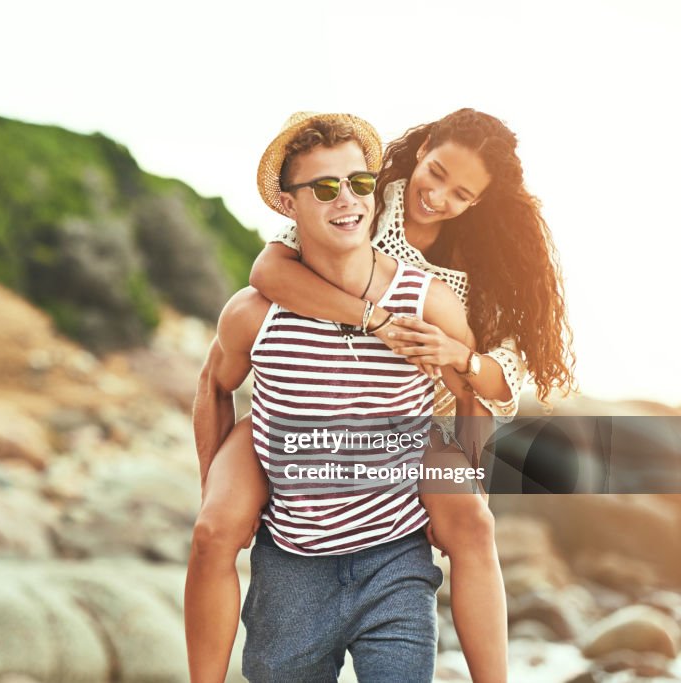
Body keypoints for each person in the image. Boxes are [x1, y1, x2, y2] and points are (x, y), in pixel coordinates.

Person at [186, 108, 576, 683]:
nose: (438, 195)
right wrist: (220, 482)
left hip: (412, 413)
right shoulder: (362, 201)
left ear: (479, 202)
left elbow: (482, 388)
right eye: (437, 173)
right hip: (305, 399)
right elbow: (269, 271)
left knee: (472, 521)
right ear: (420, 153)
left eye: (461, 192)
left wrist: (459, 380)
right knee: (214, 529)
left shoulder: (463, 277)